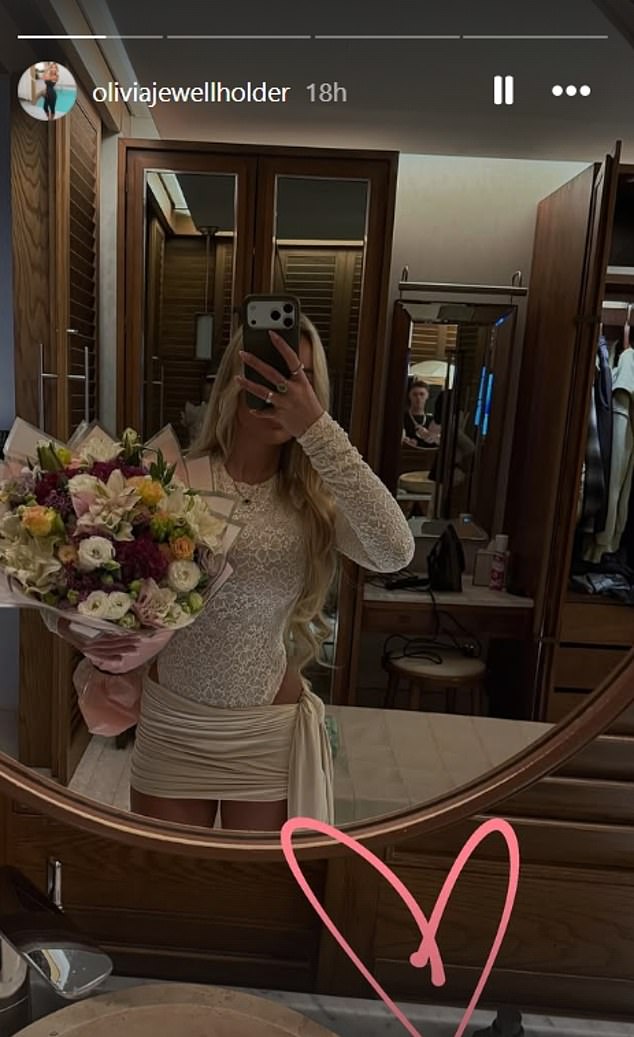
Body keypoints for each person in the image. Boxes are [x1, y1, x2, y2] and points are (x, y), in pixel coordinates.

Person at [59, 315, 414, 832]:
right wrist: (90, 623)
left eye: (298, 382)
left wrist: (317, 430)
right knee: (173, 876)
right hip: (175, 725)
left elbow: (396, 550)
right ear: (232, 381)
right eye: (266, 375)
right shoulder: (174, 479)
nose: (279, 394)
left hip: (265, 729)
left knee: (253, 883)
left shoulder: (313, 501)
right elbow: (101, 581)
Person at [402, 380, 438, 447]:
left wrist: (430, 436)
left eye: (422, 394)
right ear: (409, 396)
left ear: (427, 396)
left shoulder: (433, 421)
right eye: (415, 394)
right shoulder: (401, 418)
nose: (418, 397)